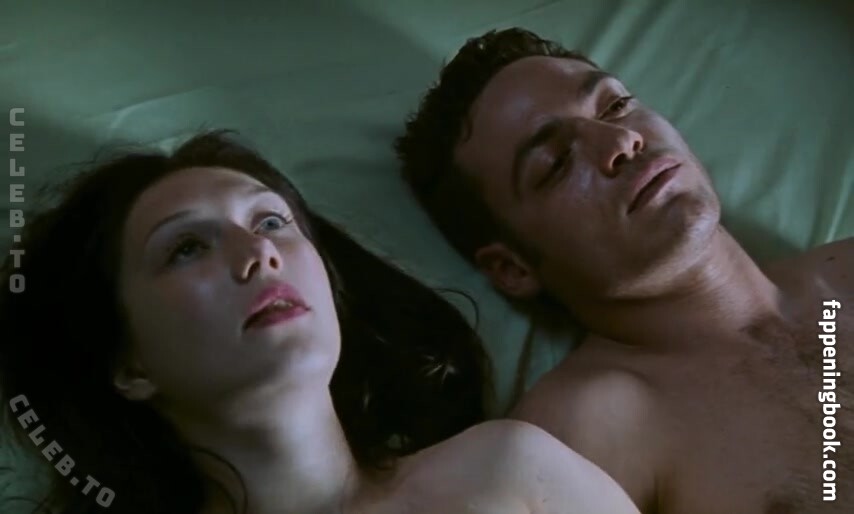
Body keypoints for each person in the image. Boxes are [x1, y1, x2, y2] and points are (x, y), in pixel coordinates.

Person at [0, 130, 640, 514]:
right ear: (129, 364)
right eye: (186, 248)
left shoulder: (509, 468)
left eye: (271, 221)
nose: (260, 252)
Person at [395, 27, 852, 514]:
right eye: (556, 162)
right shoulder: (583, 438)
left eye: (615, 106)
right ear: (512, 267)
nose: (622, 140)